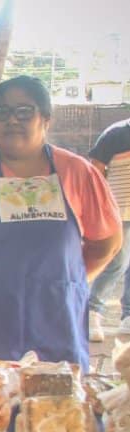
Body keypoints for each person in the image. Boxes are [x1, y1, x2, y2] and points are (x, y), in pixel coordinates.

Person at [0, 75, 121, 369]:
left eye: (24, 111)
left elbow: (106, 242)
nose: (11, 120)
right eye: (2, 112)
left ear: (46, 118)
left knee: (53, 408)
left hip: (54, 321)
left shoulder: (77, 172)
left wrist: (67, 278)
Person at [87, 116, 130, 338]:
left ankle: (128, 316)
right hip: (118, 212)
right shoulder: (116, 134)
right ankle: (92, 310)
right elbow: (95, 170)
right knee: (117, 263)